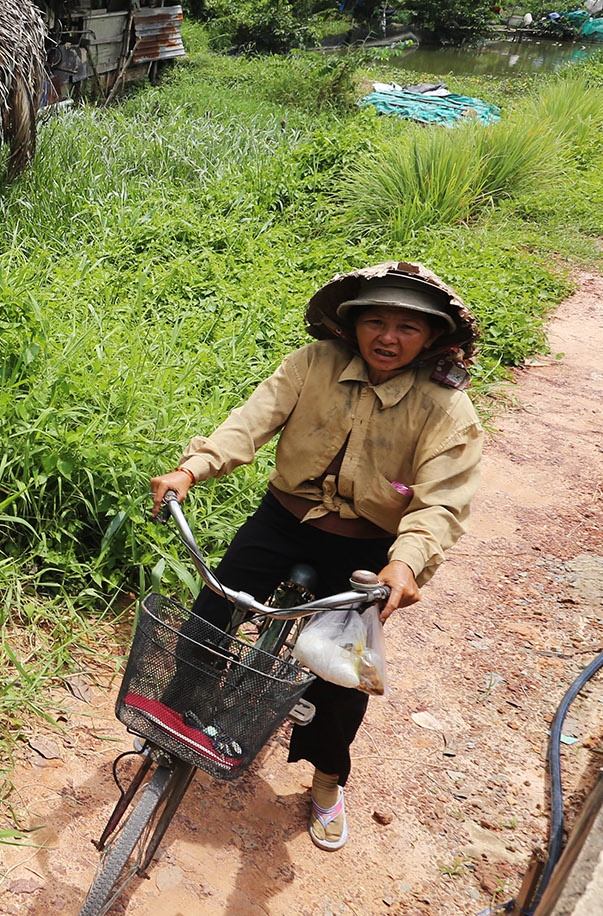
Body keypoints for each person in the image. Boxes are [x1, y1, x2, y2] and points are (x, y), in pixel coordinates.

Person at [149, 262, 483, 851]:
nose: (388, 337)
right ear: (351, 325)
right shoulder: (313, 365)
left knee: (341, 678)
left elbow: (440, 503)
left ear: (432, 337)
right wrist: (190, 469)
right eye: (375, 321)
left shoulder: (446, 409)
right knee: (210, 615)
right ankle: (179, 716)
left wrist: (404, 563)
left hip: (367, 548)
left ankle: (327, 780)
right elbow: (249, 424)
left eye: (408, 327)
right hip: (283, 521)